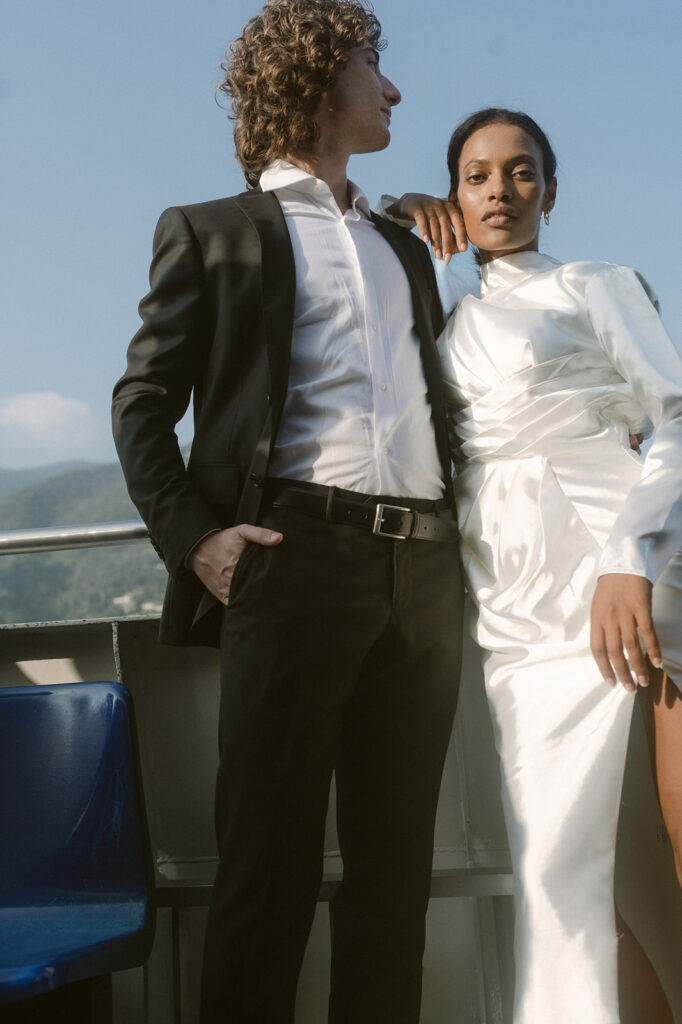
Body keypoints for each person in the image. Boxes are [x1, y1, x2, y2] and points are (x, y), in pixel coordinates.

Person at [111, 3, 466, 1022]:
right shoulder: (210, 233)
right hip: (290, 562)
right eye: (372, 68)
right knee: (264, 872)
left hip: (427, 575)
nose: (393, 91)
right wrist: (196, 543)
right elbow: (141, 405)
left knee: (395, 877)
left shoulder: (404, 244)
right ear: (316, 84)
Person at [387, 108, 682, 1022]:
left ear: (551, 192)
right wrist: (398, 225)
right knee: (560, 875)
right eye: (477, 176)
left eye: (522, 174)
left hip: (632, 561)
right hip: (515, 603)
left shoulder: (595, 283)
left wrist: (630, 562)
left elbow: (674, 413)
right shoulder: (439, 315)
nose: (501, 192)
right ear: (454, 195)